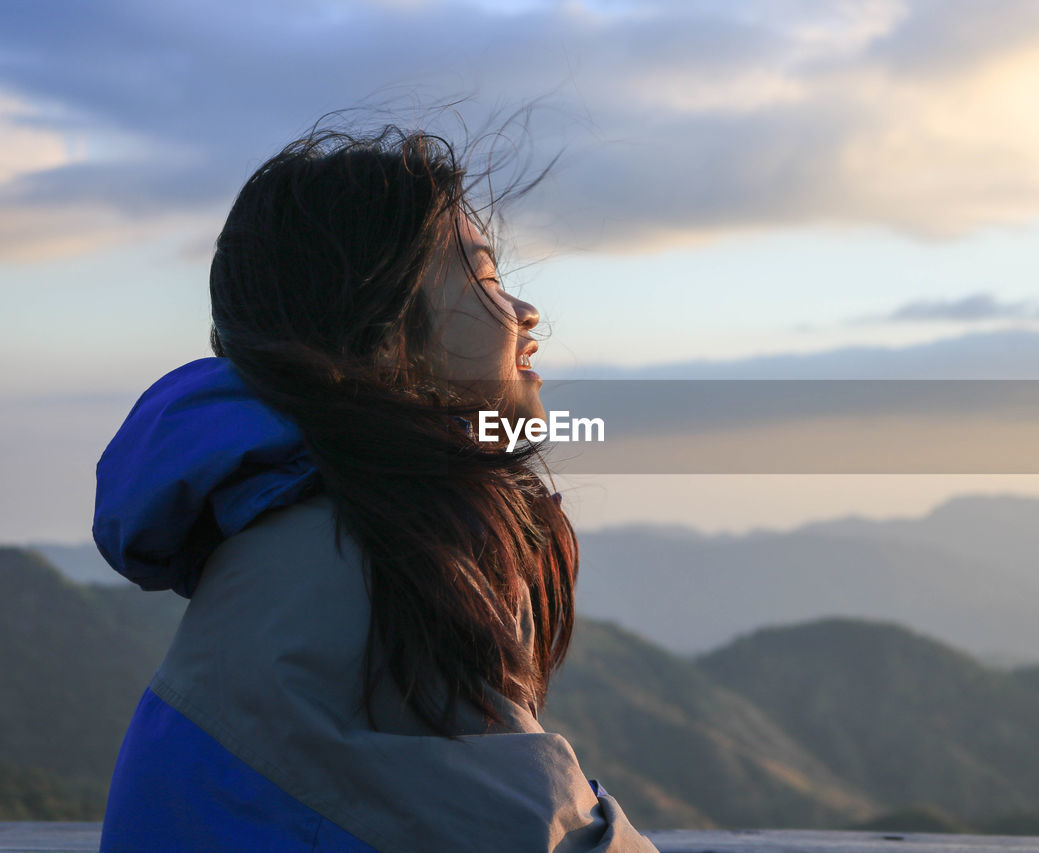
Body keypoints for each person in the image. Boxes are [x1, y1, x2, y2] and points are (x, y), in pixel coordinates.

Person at [91, 123, 661, 852]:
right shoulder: (379, 551)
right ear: (388, 335)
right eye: (486, 279)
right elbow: (536, 829)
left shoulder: (309, 521)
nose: (525, 312)